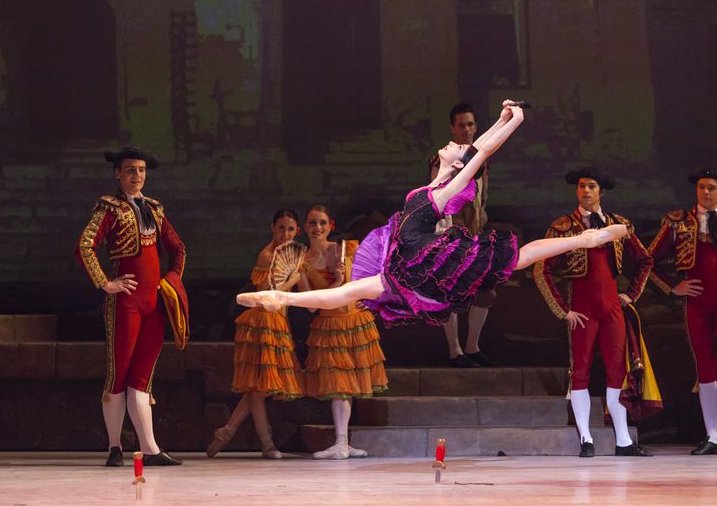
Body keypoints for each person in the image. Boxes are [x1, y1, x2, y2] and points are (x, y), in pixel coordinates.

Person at [237, 101, 628, 336]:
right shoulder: (434, 185)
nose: (450, 144)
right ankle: (280, 298)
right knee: (349, 294)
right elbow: (473, 149)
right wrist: (505, 118)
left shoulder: (440, 194)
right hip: (409, 259)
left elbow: (481, 151)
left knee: (519, 256)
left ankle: (589, 239)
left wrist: (514, 120)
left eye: (454, 147)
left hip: (418, 252)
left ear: (454, 163)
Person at [75, 146, 187, 467]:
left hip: (153, 303)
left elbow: (178, 248)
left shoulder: (154, 208)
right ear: (117, 173)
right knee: (119, 373)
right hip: (125, 302)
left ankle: (149, 449)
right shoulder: (109, 208)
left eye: (140, 170)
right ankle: (115, 447)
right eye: (129, 170)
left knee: (141, 377)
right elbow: (85, 244)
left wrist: (172, 281)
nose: (136, 176)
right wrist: (105, 282)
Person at [534, 167, 654, 457]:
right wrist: (563, 310)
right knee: (581, 372)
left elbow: (645, 260)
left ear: (601, 192)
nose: (585, 191)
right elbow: (541, 269)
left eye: (591, 187)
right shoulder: (562, 226)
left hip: (612, 306)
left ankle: (623, 440)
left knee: (617, 371)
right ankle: (586, 438)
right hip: (583, 309)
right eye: (581, 187)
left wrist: (631, 294)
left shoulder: (619, 225)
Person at [647, 168, 717, 454]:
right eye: (702, 187)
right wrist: (674, 286)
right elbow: (648, 260)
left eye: (712, 188)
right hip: (697, 301)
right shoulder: (678, 223)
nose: (706, 192)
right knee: (706, 366)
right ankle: (713, 435)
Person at [207, 209, 306, 459]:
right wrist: (291, 280)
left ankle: (228, 431)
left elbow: (304, 294)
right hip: (262, 321)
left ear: (297, 231)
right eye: (281, 228)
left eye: (290, 229)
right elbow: (265, 292)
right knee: (259, 388)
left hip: (278, 322)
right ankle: (266, 443)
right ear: (272, 228)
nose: (285, 234)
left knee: (257, 389)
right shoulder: (266, 256)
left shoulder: (294, 255)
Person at [298, 205, 388, 459]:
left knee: (347, 384)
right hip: (329, 324)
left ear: (331, 226)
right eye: (313, 223)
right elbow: (309, 304)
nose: (317, 228)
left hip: (354, 321)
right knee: (337, 383)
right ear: (305, 227)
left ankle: (343, 442)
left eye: (322, 223)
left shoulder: (347, 249)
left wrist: (372, 300)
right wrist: (336, 282)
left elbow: (371, 279)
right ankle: (341, 441)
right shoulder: (302, 263)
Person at [429, 102, 497, 368]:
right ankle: (454, 351)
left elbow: (482, 201)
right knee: (450, 293)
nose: (466, 129)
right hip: (450, 235)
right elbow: (435, 197)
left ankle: (472, 346)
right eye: (461, 125)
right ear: (452, 128)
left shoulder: (481, 160)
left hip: (475, 234)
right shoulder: (443, 159)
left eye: (470, 124)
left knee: (486, 292)